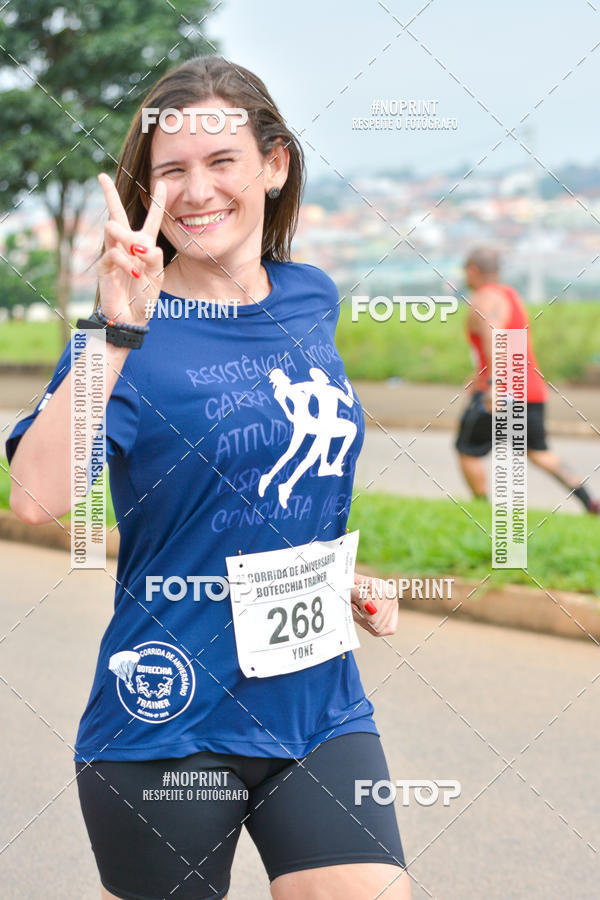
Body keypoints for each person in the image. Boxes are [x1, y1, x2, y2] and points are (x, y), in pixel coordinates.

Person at [6, 56, 411, 900]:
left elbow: (280, 476)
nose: (197, 192)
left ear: (274, 164)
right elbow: (36, 498)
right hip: (168, 717)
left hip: (316, 706)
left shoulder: (308, 298)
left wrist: (338, 572)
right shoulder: (127, 330)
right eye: (171, 172)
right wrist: (114, 331)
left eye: (221, 162)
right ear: (145, 187)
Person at [455, 246, 599, 514]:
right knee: (538, 452)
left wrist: (494, 385)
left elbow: (494, 338)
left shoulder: (484, 299)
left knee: (466, 449)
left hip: (499, 392)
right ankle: (589, 501)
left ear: (473, 271)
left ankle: (480, 510)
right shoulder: (511, 296)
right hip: (529, 388)